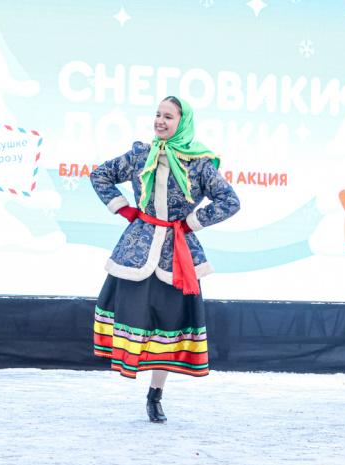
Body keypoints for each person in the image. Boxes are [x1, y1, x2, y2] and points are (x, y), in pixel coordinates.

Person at [90, 96, 240, 423]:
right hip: (137, 249)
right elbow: (100, 175)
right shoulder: (141, 155)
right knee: (134, 318)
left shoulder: (198, 164)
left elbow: (230, 201)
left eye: (168, 116)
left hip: (177, 256)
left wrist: (190, 223)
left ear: (182, 122)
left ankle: (155, 394)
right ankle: (131, 371)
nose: (160, 121)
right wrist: (124, 209)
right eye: (158, 114)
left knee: (169, 326)